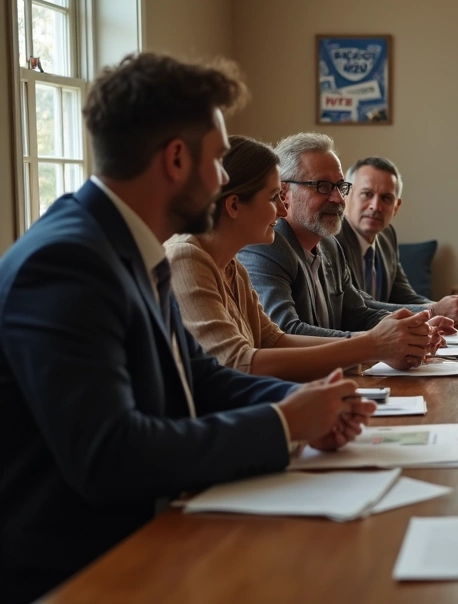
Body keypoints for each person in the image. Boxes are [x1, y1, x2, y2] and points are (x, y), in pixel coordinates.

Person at [0, 53, 377, 603]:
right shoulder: (67, 263)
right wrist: (282, 424)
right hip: (85, 573)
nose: (227, 179)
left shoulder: (125, 244)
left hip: (156, 534)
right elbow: (111, 455)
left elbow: (197, 377)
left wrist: (313, 404)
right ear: (177, 158)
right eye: (221, 159)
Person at [167, 136, 434, 381]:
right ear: (234, 205)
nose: (284, 209)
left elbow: (274, 340)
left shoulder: (231, 265)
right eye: (274, 198)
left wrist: (378, 345)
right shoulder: (187, 256)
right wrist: (371, 346)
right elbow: (237, 362)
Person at [236, 133, 453, 357]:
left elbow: (358, 313)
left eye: (340, 186)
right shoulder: (265, 245)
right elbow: (285, 332)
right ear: (284, 193)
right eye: (322, 186)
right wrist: (375, 344)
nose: (339, 199)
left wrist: (412, 328)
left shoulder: (330, 245)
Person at [336, 156, 458, 325]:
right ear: (346, 197)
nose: (375, 206)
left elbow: (405, 296)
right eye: (367, 194)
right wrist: (435, 311)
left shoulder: (387, 236)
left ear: (396, 207)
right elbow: (359, 306)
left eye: (386, 198)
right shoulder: (333, 240)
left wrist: (450, 308)